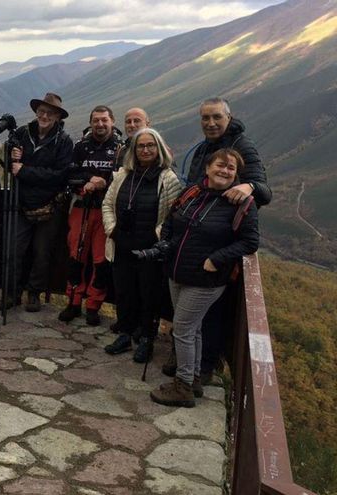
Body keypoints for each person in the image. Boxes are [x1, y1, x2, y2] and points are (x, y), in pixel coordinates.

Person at [150, 148, 259, 407]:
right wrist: (165, 243)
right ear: (208, 168)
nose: (225, 171)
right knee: (193, 327)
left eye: (231, 168)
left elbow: (250, 241)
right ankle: (194, 378)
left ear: (236, 174)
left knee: (184, 329)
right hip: (177, 271)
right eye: (220, 165)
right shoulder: (193, 193)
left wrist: (217, 259)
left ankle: (183, 386)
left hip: (207, 279)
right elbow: (171, 220)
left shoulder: (242, 203)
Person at [180, 97, 272, 383]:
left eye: (216, 117)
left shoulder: (242, 146)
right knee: (192, 310)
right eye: (205, 118)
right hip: (196, 238)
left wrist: (249, 185)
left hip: (220, 243)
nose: (210, 123)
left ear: (228, 118)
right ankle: (191, 363)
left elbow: (265, 191)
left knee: (213, 311)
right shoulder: (205, 148)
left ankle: (204, 368)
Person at [102, 128, 182, 362]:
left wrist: (156, 240)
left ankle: (147, 338)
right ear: (133, 150)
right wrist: (112, 230)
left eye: (150, 145)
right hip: (122, 245)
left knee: (149, 296)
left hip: (150, 252)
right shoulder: (123, 175)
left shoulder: (167, 178)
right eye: (140, 146)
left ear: (158, 148)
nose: (145, 150)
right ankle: (125, 334)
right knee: (124, 293)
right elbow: (107, 204)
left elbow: (171, 215)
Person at [0, 92, 73, 312]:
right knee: (14, 251)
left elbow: (60, 175)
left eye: (50, 113)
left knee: (42, 254)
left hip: (50, 206)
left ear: (58, 117)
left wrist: (26, 171)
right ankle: (12, 293)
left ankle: (34, 293)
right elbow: (10, 166)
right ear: (36, 112)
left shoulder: (64, 141)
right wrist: (10, 156)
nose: (44, 115)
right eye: (41, 111)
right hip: (20, 204)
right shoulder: (22, 133)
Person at [59, 105, 123, 325]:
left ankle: (94, 305)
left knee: (100, 260)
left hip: (106, 211)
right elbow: (69, 173)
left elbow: (124, 178)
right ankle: (73, 302)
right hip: (81, 207)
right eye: (96, 120)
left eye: (104, 120)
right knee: (76, 257)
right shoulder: (81, 146)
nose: (100, 124)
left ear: (112, 121)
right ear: (91, 122)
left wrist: (104, 181)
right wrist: (89, 179)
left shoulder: (120, 149)